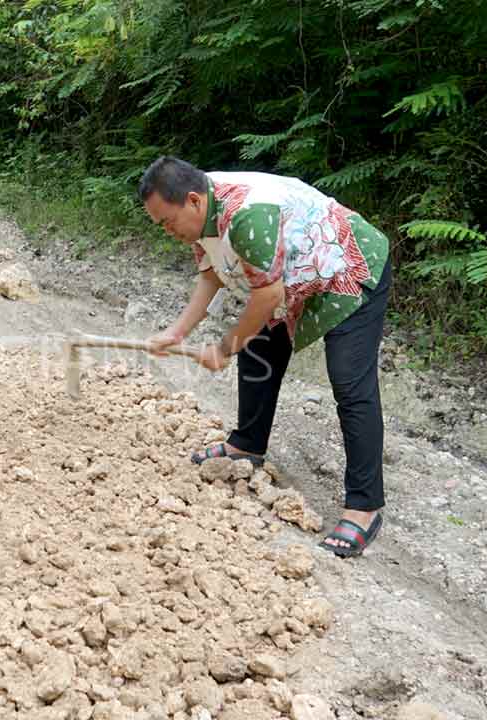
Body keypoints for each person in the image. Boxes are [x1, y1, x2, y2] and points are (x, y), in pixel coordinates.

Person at [139, 156, 392, 558]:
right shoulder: (202, 216)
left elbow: (269, 296)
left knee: (348, 381)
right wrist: (178, 332)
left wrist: (224, 347)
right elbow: (212, 275)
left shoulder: (245, 217)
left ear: (192, 201)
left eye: (167, 222)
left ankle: (364, 506)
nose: (167, 231)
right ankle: (247, 445)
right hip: (289, 276)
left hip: (346, 267)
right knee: (257, 347)